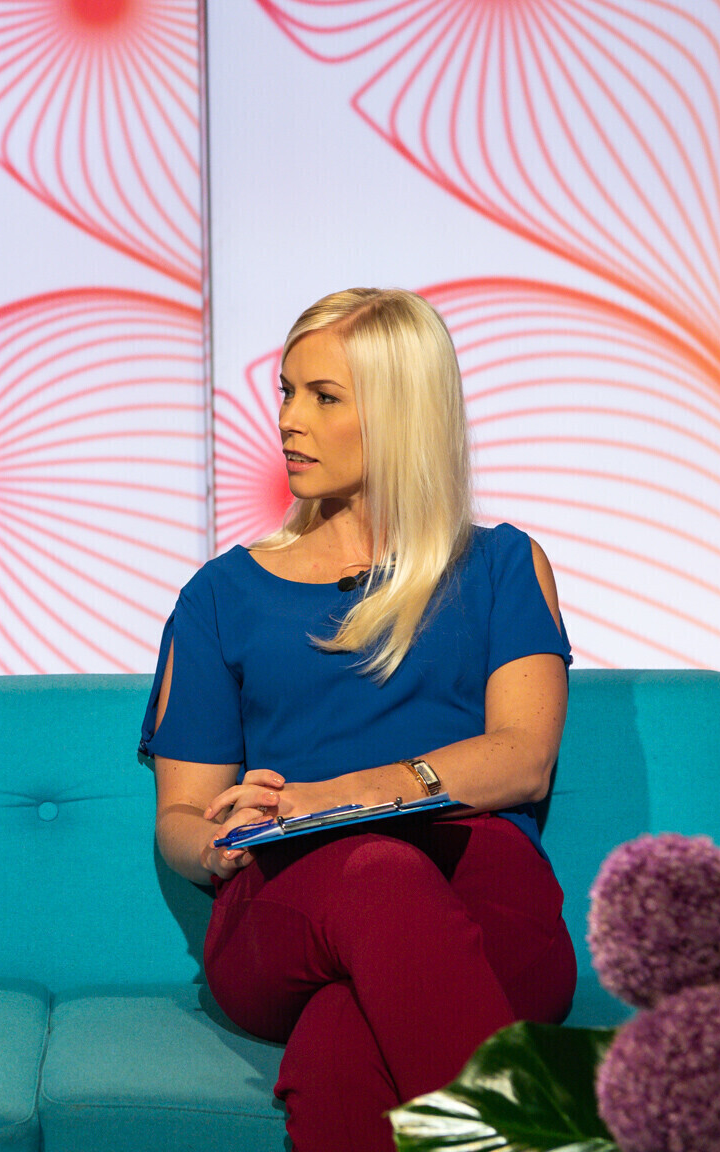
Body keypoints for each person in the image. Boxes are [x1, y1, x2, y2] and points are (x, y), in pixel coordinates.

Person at [141, 288, 577, 1151]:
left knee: (344, 1035)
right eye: (286, 391)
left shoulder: (501, 564)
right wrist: (219, 843)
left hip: (486, 899)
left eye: (324, 397)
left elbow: (523, 757)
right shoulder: (220, 595)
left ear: (401, 412)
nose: (289, 420)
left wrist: (344, 794)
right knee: (378, 873)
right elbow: (180, 818)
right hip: (287, 904)